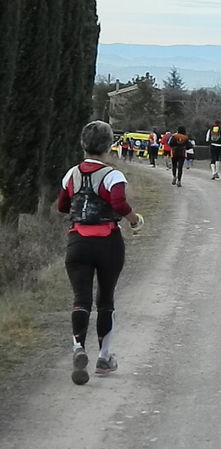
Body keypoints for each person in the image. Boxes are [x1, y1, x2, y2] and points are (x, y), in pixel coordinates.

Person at [57, 120, 144, 385]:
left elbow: (62, 206)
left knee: (80, 298)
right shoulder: (112, 176)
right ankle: (104, 358)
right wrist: (133, 220)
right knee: (105, 299)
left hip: (78, 241)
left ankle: (78, 348)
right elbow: (118, 202)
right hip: (108, 241)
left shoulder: (71, 174)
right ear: (109, 145)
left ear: (83, 144)